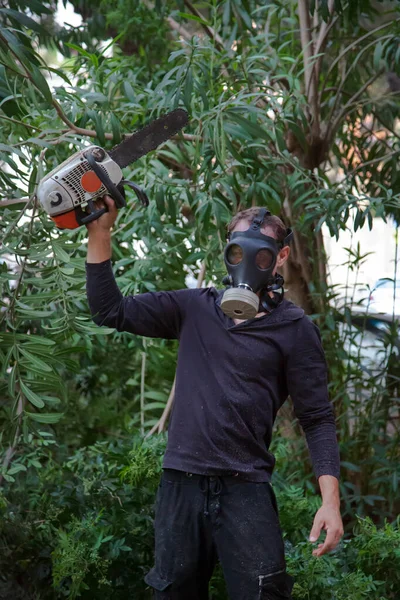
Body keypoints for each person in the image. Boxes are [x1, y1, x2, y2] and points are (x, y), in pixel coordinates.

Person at [85, 196, 344, 600]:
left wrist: (331, 501)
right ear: (226, 251)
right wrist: (100, 232)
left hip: (246, 490)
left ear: (281, 257)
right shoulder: (194, 309)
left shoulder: (295, 330)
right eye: (237, 251)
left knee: (264, 594)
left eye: (261, 255)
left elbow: (317, 418)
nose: (246, 262)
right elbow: (109, 311)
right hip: (181, 485)